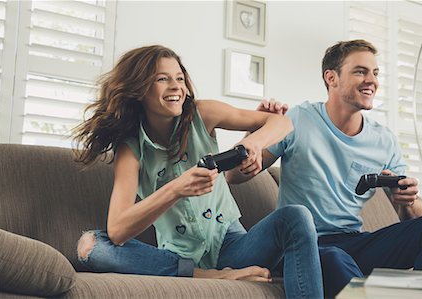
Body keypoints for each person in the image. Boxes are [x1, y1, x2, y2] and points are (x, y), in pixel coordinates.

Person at [72, 45, 324, 299]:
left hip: (233, 246)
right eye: (162, 79)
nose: (176, 86)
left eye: (179, 78)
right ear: (139, 89)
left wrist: (254, 143)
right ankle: (208, 275)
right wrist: (176, 189)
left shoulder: (202, 114)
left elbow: (282, 122)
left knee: (296, 217)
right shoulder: (130, 148)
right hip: (177, 258)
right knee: (93, 246)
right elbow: (117, 230)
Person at [226, 39, 422, 298]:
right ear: (331, 78)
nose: (372, 81)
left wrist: (406, 200)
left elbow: (412, 215)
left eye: (375, 73)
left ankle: (405, 294)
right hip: (306, 245)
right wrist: (256, 132)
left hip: (354, 241)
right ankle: (391, 292)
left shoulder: (384, 140)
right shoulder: (297, 119)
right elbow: (234, 176)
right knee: (333, 259)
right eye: (360, 71)